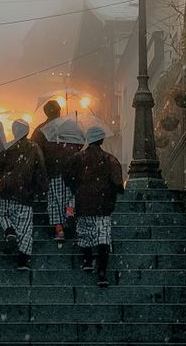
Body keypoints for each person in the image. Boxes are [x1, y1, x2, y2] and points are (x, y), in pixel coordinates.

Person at [65, 126, 123, 287]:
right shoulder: (109, 159)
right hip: (103, 205)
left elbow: (68, 178)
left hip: (84, 203)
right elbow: (117, 182)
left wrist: (78, 188)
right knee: (103, 237)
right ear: (102, 140)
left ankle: (87, 259)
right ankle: (102, 272)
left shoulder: (78, 158)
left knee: (85, 233)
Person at [0, 119, 47, 270]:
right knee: (25, 227)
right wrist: (41, 190)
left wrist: (3, 174)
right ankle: (23, 260)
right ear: (27, 131)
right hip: (25, 192)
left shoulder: (8, 146)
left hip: (6, 189)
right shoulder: (34, 148)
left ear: (14, 131)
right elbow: (40, 170)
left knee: (4, 214)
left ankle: (9, 230)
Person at [31, 100, 77, 241]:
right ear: (59, 111)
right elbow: (78, 144)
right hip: (70, 169)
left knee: (54, 203)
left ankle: (59, 231)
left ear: (46, 112)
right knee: (71, 195)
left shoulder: (40, 130)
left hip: (51, 170)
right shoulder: (69, 126)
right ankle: (70, 212)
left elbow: (35, 151)